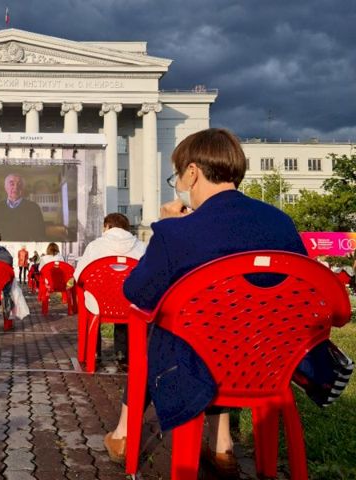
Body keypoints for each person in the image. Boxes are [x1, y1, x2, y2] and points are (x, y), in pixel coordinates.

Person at [103, 128, 309, 476]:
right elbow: (305, 292)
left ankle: (125, 433)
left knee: (168, 332)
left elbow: (137, 292)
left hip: (198, 365)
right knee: (217, 330)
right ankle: (222, 444)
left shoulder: (177, 231)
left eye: (177, 176)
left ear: (193, 172)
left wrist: (166, 230)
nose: (179, 184)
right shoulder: (282, 223)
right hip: (270, 362)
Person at [74, 213, 146, 371]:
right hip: (129, 302)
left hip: (99, 303)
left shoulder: (95, 246)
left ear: (107, 226)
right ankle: (123, 355)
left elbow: (79, 276)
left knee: (92, 305)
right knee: (126, 301)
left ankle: (94, 354)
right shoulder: (141, 247)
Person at [0, 173, 46, 241]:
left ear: (23, 188)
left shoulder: (34, 208)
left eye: (19, 184)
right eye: (12, 184)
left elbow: (40, 233)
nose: (16, 187)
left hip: (24, 245)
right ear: (5, 187)